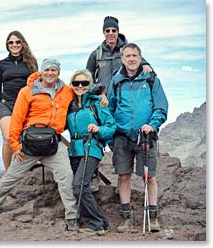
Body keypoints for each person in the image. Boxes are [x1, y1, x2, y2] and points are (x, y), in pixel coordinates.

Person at [0, 59, 79, 231]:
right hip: (29, 144)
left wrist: (101, 96)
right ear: (41, 72)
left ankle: (72, 216)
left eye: (53, 70)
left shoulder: (67, 91)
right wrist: (15, 146)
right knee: (12, 175)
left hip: (53, 144)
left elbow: (84, 93)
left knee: (66, 175)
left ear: (58, 72)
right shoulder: (27, 92)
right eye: (47, 69)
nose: (50, 73)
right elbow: (17, 118)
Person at [86, 16, 153, 193]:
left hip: (121, 102)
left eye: (113, 30)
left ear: (118, 31)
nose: (110, 33)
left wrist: (147, 66)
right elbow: (88, 77)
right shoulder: (97, 54)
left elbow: (144, 66)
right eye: (107, 31)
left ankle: (122, 181)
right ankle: (93, 177)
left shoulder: (127, 50)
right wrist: (99, 93)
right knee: (97, 139)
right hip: (102, 102)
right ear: (103, 32)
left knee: (118, 141)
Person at [107, 43, 168, 233]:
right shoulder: (116, 81)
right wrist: (111, 136)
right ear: (122, 59)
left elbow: (161, 106)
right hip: (122, 137)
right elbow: (109, 109)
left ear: (140, 58)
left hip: (146, 137)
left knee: (149, 177)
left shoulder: (151, 79)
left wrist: (153, 124)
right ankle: (126, 217)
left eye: (135, 55)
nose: (131, 59)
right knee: (124, 176)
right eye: (128, 56)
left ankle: (153, 216)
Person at [67, 69, 116, 235]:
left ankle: (96, 223)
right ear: (71, 85)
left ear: (89, 85)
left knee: (79, 185)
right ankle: (101, 222)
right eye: (76, 83)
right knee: (79, 186)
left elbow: (111, 126)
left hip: (91, 148)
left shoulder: (97, 103)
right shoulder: (69, 104)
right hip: (74, 151)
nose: (80, 86)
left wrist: (98, 129)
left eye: (84, 83)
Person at [0, 30, 38, 171]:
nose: (14, 45)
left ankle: (23, 168)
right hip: (6, 104)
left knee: (26, 138)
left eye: (17, 42)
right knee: (8, 138)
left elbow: (36, 86)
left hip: (26, 105)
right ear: (7, 45)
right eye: (11, 42)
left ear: (22, 43)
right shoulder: (2, 64)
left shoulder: (31, 62)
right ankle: (8, 173)